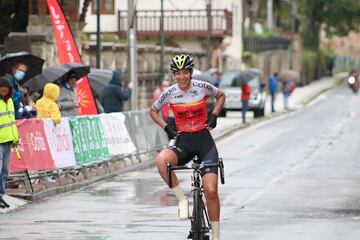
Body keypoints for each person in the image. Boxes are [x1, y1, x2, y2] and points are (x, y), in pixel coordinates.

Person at [149, 54, 226, 240]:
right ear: (174, 75)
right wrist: (166, 127)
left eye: (185, 73)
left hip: (205, 143)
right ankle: (182, 199)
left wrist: (215, 114)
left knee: (211, 191)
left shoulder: (202, 87)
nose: (182, 77)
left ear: (191, 73)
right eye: (178, 73)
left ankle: (216, 236)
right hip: (184, 142)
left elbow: (221, 95)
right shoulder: (169, 93)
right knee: (161, 160)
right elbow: (152, 111)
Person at [0, 76, 19, 208]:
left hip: (8, 141)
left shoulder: (10, 101)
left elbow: (12, 122)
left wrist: (15, 138)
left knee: (5, 171)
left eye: (6, 87)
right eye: (2, 86)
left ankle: (1, 195)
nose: (4, 89)